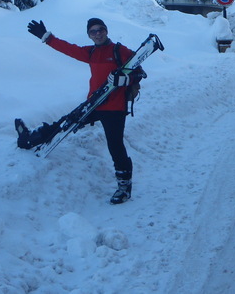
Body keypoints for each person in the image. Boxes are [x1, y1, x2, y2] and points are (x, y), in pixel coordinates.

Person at [17, 17, 142, 204]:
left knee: (115, 145)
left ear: (106, 31)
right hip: (94, 103)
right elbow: (68, 49)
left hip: (114, 107)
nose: (97, 34)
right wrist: (46, 37)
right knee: (66, 123)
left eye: (100, 29)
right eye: (93, 31)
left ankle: (124, 186)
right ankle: (30, 139)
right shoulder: (91, 52)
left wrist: (125, 80)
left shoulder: (119, 51)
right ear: (89, 35)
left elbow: (139, 71)